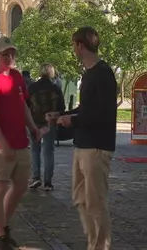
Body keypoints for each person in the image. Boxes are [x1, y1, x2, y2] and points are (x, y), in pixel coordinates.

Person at [49, 27, 117, 250]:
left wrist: (74, 121)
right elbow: (86, 108)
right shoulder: (88, 74)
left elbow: (104, 113)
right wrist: (64, 115)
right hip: (83, 144)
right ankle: (93, 242)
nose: (73, 49)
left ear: (80, 46)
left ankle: (100, 246)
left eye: (73, 44)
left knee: (96, 201)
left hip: (97, 146)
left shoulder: (103, 73)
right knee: (80, 197)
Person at [0, 36, 40, 250]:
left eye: (13, 53)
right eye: (6, 54)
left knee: (21, 186)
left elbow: (23, 106)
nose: (11, 57)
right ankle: (1, 236)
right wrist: (2, 143)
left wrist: (32, 127)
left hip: (19, 141)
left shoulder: (16, 77)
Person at [28, 63, 65, 191]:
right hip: (50, 123)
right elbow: (62, 108)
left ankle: (36, 177)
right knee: (49, 151)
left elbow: (27, 106)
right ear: (52, 72)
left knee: (34, 150)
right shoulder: (55, 88)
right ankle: (48, 182)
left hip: (34, 122)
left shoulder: (32, 87)